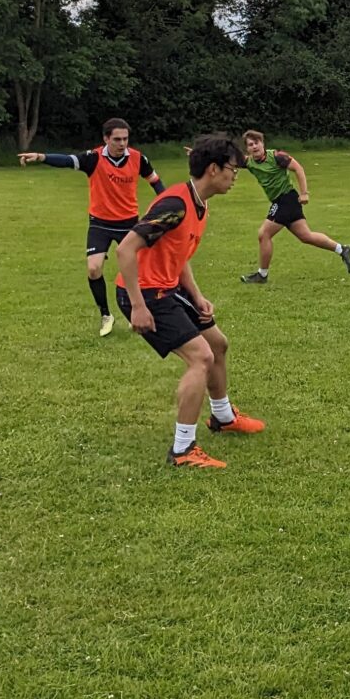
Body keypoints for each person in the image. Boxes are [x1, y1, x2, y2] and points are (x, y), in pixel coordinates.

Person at [115, 133, 265, 470]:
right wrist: (137, 306)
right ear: (213, 169)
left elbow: (178, 252)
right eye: (232, 169)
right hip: (146, 293)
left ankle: (223, 417)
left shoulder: (199, 203)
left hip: (168, 288)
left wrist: (196, 295)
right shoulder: (175, 204)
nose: (235, 176)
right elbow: (125, 249)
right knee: (201, 357)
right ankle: (183, 449)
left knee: (218, 344)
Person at [20, 118, 165, 336]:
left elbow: (155, 181)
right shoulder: (93, 158)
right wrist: (41, 157)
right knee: (94, 269)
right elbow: (67, 160)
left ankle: (135, 311)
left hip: (129, 223)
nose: (122, 144)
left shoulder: (138, 158)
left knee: (137, 270)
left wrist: (167, 207)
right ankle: (106, 315)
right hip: (100, 224)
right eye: (117, 139)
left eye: (125, 139)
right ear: (106, 139)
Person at [237, 130, 350, 282]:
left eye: (256, 143)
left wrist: (304, 193)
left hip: (286, 199)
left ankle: (262, 275)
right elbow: (226, 160)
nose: (254, 146)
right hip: (283, 201)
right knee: (306, 236)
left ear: (263, 143)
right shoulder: (249, 162)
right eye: (250, 144)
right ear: (247, 149)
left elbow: (298, 168)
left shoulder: (277, 157)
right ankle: (342, 249)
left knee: (264, 234)